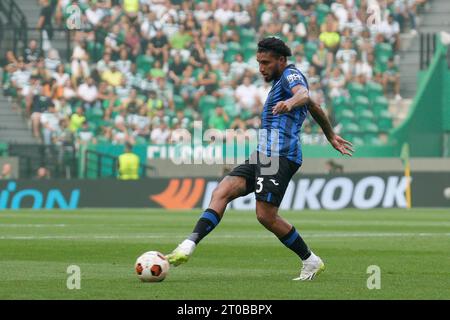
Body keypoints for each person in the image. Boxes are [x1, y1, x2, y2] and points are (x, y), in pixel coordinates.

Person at [165, 37, 353, 281]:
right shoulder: (279, 82)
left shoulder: (290, 75)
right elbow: (313, 105)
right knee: (223, 190)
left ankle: (311, 260)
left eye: (266, 62)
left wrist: (290, 102)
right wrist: (330, 135)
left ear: (281, 60)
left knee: (265, 216)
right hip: (264, 154)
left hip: (280, 155)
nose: (261, 68)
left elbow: (304, 95)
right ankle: (188, 245)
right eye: (259, 62)